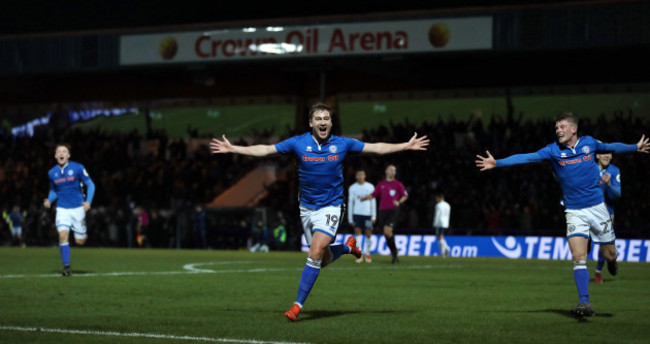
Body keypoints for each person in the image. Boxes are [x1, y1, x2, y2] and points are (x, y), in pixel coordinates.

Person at [209, 102, 428, 321]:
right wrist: (235, 148)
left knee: (314, 252)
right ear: (311, 123)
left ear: (331, 123)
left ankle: (296, 307)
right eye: (319, 119)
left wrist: (404, 146)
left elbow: (376, 147)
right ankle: (345, 248)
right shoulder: (298, 143)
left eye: (326, 119)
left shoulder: (342, 144)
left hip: (331, 206)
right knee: (321, 259)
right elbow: (266, 150)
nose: (323, 122)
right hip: (306, 208)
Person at [475, 112, 649, 318]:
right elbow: (527, 157)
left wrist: (635, 147)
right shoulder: (552, 151)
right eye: (556, 127)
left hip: (598, 209)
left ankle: (611, 261)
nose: (558, 130)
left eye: (562, 127)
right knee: (578, 257)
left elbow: (612, 146)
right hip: (574, 211)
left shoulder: (589, 143)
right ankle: (585, 302)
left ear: (573, 129)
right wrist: (498, 163)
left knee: (610, 253)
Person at [44, 143, 96, 277]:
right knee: (62, 235)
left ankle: (80, 231)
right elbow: (54, 190)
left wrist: (88, 202)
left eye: (64, 151)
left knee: (80, 241)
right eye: (59, 152)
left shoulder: (78, 168)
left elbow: (90, 185)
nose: (61, 153)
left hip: (78, 208)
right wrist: (49, 200)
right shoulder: (51, 173)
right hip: (62, 208)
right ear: (55, 156)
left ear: (68, 155)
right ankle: (66, 267)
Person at [360, 164, 408, 264]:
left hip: (393, 211)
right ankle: (394, 253)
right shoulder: (381, 184)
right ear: (386, 171)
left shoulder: (398, 184)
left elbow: (405, 195)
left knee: (387, 231)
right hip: (382, 212)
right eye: (390, 169)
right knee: (387, 235)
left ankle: (394, 253)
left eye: (394, 170)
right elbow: (374, 195)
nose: (392, 172)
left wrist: (399, 202)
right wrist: (363, 198)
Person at [594, 153, 621, 284]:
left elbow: (618, 194)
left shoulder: (614, 171)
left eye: (609, 154)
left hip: (606, 213)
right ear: (597, 155)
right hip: (588, 211)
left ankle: (601, 268)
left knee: (604, 246)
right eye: (604, 153)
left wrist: (609, 184)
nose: (607, 156)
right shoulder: (589, 168)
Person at [347, 168, 376, 263]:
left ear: (365, 176)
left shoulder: (370, 187)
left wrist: (374, 215)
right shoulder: (352, 188)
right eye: (358, 175)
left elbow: (373, 201)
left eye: (362, 174)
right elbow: (350, 203)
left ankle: (367, 253)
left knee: (368, 233)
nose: (360, 176)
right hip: (357, 214)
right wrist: (350, 218)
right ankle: (359, 255)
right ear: (356, 176)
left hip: (367, 214)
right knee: (357, 233)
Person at [433, 193, 451, 258]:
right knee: (441, 237)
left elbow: (437, 215)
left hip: (439, 222)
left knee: (439, 238)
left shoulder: (438, 205)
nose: (436, 199)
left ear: (440, 198)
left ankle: (447, 248)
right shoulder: (448, 205)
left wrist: (435, 223)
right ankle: (442, 253)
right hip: (445, 223)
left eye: (436, 198)